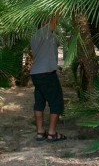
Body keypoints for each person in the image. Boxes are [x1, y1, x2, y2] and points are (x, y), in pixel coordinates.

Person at [30, 14, 66, 142]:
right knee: (56, 103)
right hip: (47, 74)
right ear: (42, 23)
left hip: (36, 74)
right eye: (46, 19)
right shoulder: (42, 33)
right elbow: (54, 20)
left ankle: (40, 132)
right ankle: (52, 134)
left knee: (39, 102)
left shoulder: (37, 37)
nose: (49, 21)